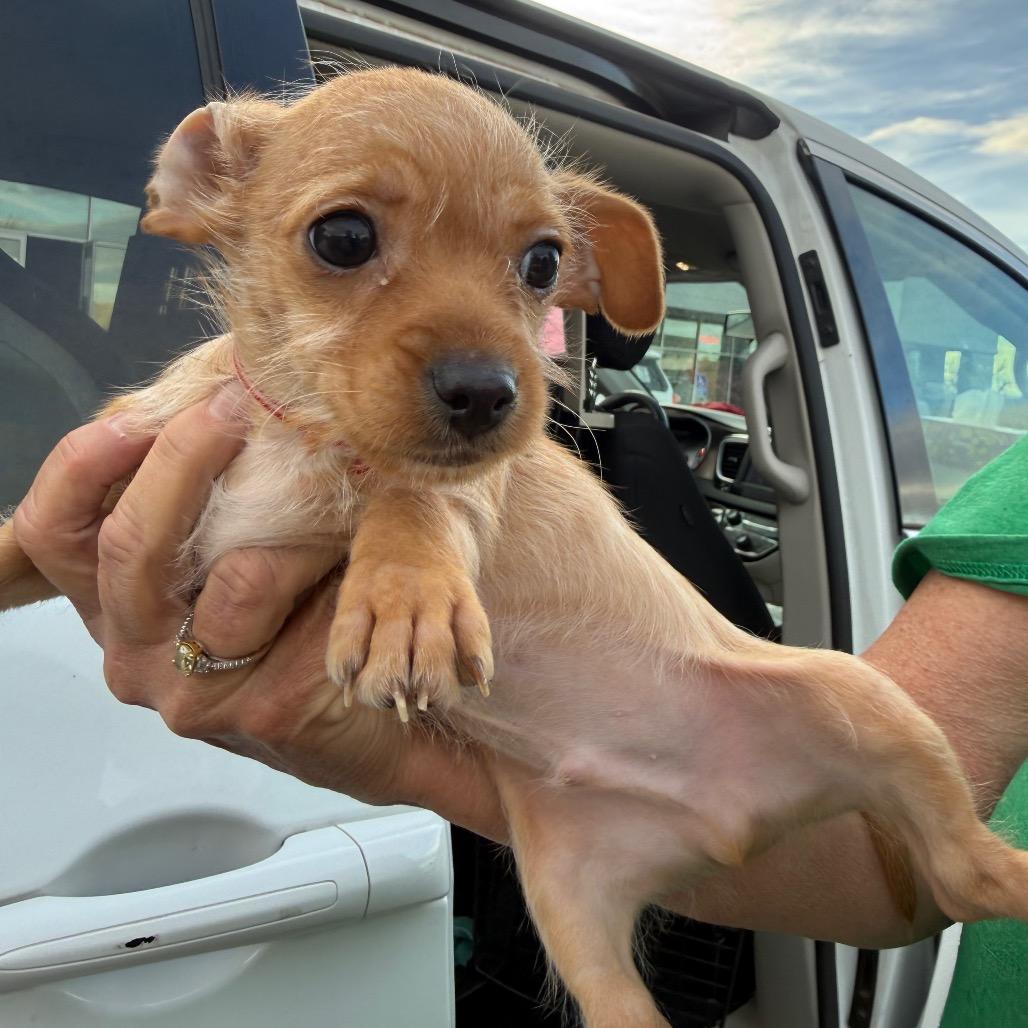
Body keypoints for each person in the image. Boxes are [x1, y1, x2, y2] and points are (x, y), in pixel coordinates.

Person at [10, 387, 1028, 1022]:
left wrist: (405, 540)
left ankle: (969, 854)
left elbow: (448, 497)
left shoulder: (441, 448)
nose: (484, 359)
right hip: (544, 783)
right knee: (596, 965)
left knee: (852, 699)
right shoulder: (208, 399)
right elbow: (49, 539)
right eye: (345, 242)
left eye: (532, 265)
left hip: (718, 701)